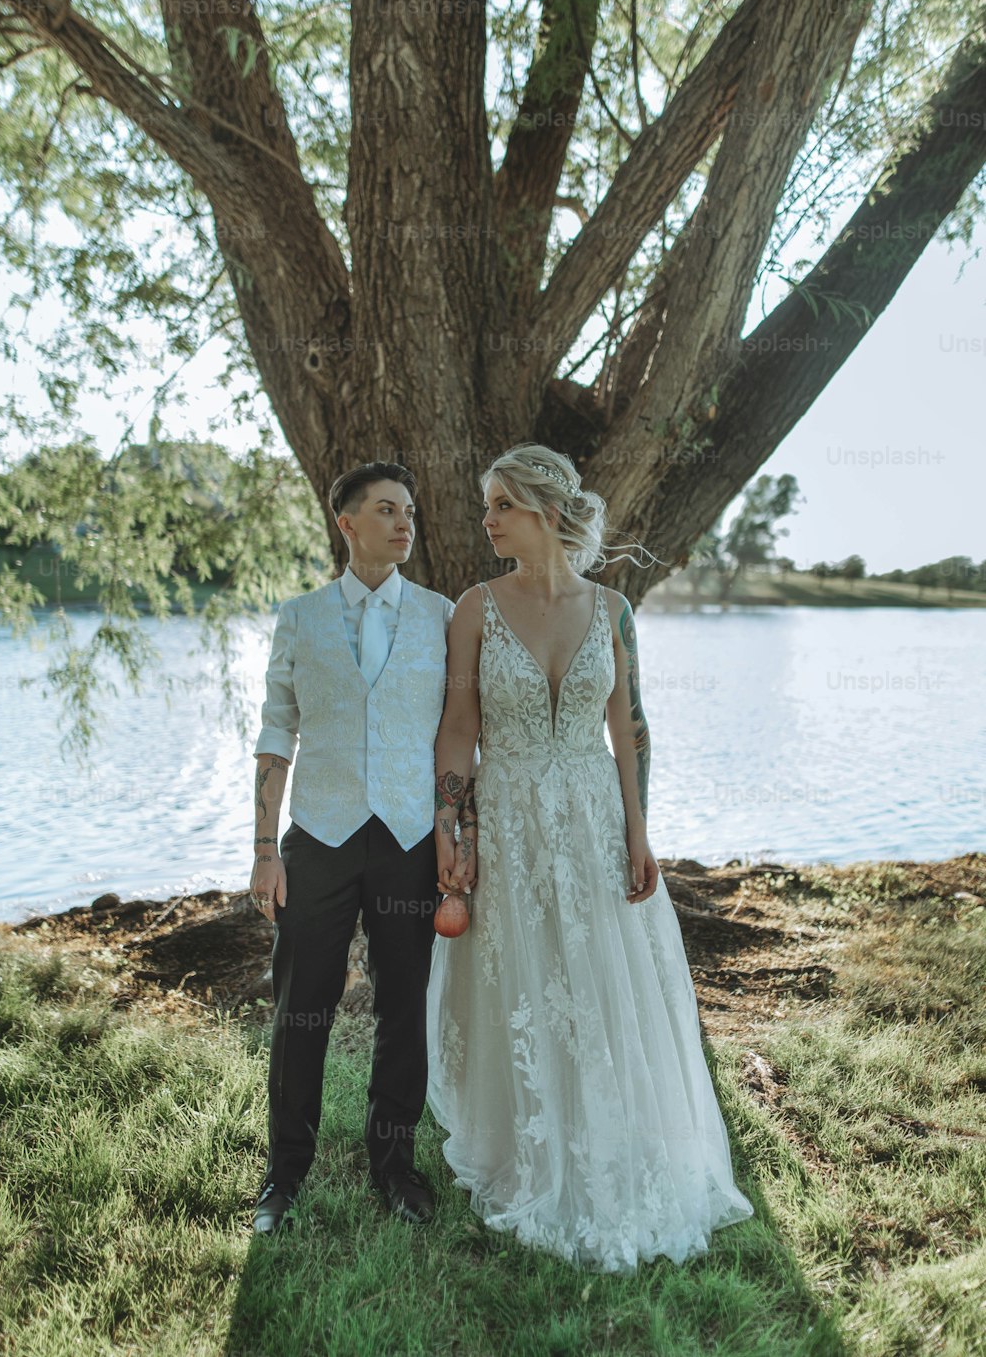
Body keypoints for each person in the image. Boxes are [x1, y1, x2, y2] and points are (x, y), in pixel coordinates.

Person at [427, 443, 754, 1273]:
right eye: (488, 504)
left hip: (593, 813)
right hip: (506, 820)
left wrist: (640, 831)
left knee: (607, 978)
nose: (488, 518)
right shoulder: (473, 607)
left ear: (540, 510)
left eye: (500, 503)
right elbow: (460, 732)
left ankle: (621, 1138)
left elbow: (630, 729)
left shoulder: (613, 609)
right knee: (526, 978)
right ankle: (529, 1144)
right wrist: (450, 828)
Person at [250, 461, 454, 1234]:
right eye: (386, 509)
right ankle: (284, 1174)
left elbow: (455, 737)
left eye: (410, 510)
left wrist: (452, 837)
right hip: (321, 839)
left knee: (405, 1006)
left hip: (407, 840)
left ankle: (395, 1168)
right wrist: (266, 849)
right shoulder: (298, 617)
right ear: (346, 524)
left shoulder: (442, 614)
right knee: (302, 1007)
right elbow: (276, 735)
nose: (404, 522)